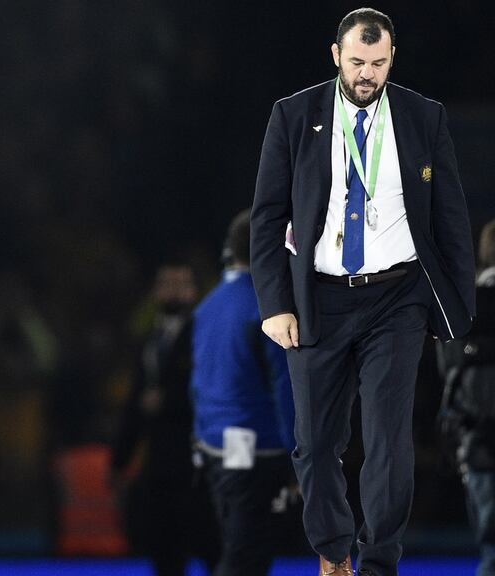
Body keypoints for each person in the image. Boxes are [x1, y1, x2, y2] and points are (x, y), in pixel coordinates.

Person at [250, 8, 474, 576]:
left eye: (378, 63)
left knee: (388, 437)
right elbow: (267, 216)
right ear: (335, 56)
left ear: (392, 57)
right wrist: (274, 303)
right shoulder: (293, 115)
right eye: (357, 62)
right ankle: (332, 549)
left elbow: (450, 216)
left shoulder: (425, 117)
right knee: (315, 444)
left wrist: (453, 305)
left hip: (396, 299)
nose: (367, 74)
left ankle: (377, 561)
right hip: (315, 299)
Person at [191, 209, 296, 576]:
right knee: (247, 556)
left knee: (238, 548)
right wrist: (298, 448)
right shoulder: (266, 310)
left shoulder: (207, 305)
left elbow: (199, 382)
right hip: (257, 448)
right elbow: (285, 385)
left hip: (214, 447)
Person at [111, 262, 217, 576]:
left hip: (196, 458)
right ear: (156, 291)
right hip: (158, 461)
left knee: (208, 543)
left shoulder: (204, 335)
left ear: (194, 292)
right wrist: (120, 460)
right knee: (163, 546)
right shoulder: (151, 339)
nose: (173, 291)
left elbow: (213, 391)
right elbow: (135, 402)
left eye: (180, 284)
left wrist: (168, 401)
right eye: (166, 283)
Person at [437, 219, 495, 576]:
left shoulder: (463, 304)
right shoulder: (467, 303)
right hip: (481, 443)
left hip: (479, 446)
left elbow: (449, 368)